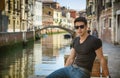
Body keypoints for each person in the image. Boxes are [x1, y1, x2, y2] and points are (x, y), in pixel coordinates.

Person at [46, 17, 110, 78]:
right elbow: (71, 58)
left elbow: (101, 59)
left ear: (86, 26)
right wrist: (64, 70)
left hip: (83, 72)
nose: (79, 29)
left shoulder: (95, 40)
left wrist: (107, 76)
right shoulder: (75, 40)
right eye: (77, 27)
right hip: (71, 68)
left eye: (81, 26)